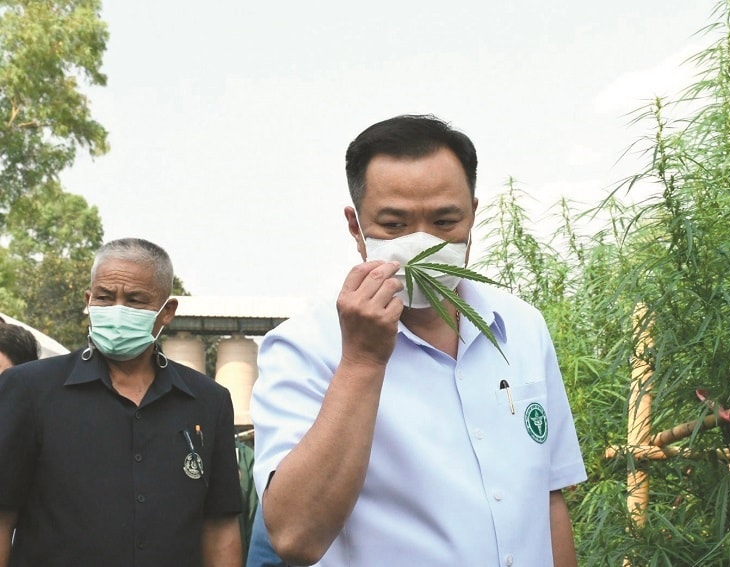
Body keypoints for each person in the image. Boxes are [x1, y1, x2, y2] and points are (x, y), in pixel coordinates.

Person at [250, 115, 587, 566]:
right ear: (356, 227)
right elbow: (295, 537)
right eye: (395, 225)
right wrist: (362, 362)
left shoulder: (522, 327)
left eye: (445, 221)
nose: (423, 245)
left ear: (472, 214)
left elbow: (548, 499)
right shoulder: (305, 347)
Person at [0, 238, 243, 567]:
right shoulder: (29, 390)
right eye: (104, 297)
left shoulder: (207, 401)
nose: (116, 311)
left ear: (166, 312)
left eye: (134, 301)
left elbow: (219, 524)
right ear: (88, 300)